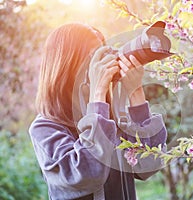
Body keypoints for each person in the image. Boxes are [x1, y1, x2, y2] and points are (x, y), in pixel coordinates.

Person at [29, 23, 167, 200]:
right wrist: (98, 93)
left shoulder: (110, 119)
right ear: (67, 65)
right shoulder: (45, 129)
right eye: (93, 57)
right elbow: (87, 174)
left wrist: (136, 93)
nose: (101, 65)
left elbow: (150, 164)